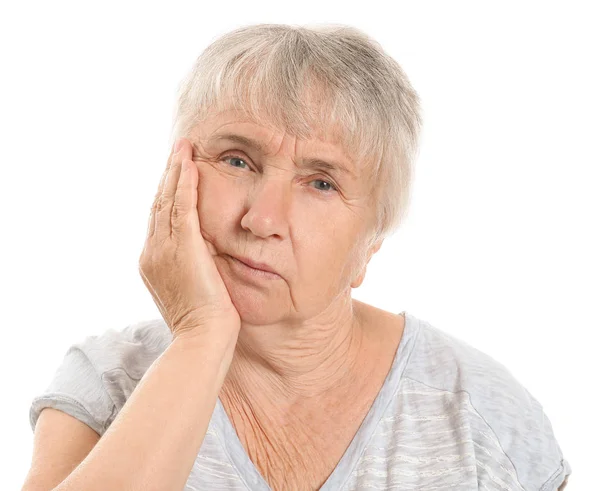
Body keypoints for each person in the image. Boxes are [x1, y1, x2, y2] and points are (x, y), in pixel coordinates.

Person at [23, 23, 571, 491]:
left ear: (372, 238)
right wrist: (202, 336)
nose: (261, 220)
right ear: (175, 176)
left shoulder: (477, 410)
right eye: (237, 161)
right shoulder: (107, 381)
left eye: (321, 183)